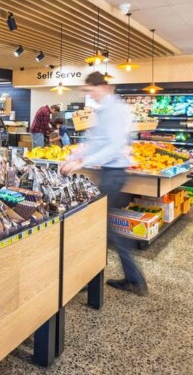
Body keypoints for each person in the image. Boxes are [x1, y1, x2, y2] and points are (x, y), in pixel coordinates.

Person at [60, 72, 146, 296]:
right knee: (103, 226)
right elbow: (96, 142)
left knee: (99, 226)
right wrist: (73, 157)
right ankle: (130, 278)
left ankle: (101, 278)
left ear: (103, 87)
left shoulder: (113, 110)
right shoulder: (105, 110)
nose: (90, 95)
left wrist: (82, 162)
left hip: (113, 174)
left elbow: (114, 146)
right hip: (109, 173)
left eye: (91, 91)